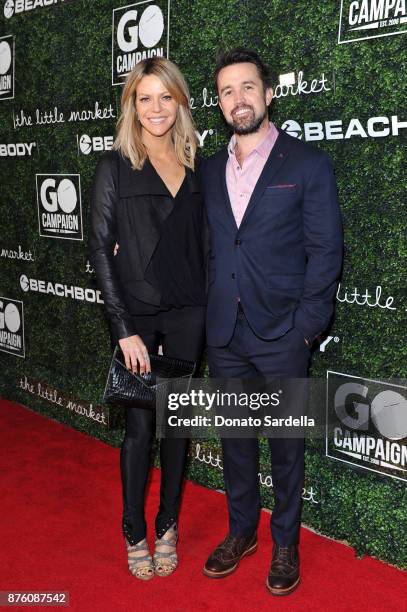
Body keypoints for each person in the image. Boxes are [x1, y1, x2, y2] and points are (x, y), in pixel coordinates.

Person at [201, 49, 343, 595]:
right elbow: (209, 248)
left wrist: (307, 327)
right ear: (219, 103)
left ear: (268, 93)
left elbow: (325, 250)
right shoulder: (210, 170)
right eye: (227, 91)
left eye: (247, 88)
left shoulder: (306, 164)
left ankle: (285, 542)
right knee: (236, 442)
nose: (238, 99)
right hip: (226, 334)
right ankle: (242, 532)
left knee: (285, 446)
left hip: (284, 332)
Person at [89, 57, 206, 581]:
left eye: (166, 97)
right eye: (144, 98)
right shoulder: (114, 166)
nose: (155, 109)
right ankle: (134, 529)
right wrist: (123, 329)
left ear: (180, 101)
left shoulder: (200, 164)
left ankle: (168, 525)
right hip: (138, 315)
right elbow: (99, 249)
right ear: (131, 105)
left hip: (190, 314)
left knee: (176, 428)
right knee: (140, 428)